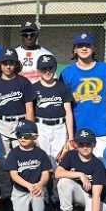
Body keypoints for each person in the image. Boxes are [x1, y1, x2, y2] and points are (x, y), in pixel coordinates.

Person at [0, 48, 36, 204]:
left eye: (11, 63)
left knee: (23, 160)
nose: (8, 66)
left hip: (19, 123)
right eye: (5, 63)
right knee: (2, 163)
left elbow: (29, 108)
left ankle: (23, 195)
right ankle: (7, 196)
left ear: (16, 65)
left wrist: (29, 129)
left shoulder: (23, 82)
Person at [60, 32, 106, 158]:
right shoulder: (66, 73)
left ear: (94, 48)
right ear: (75, 50)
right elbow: (65, 106)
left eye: (88, 45)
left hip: (101, 129)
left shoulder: (105, 69)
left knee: (103, 165)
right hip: (77, 130)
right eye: (80, 46)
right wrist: (69, 134)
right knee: (78, 166)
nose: (84, 48)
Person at [55, 128, 106, 211]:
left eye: (88, 144)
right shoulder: (70, 155)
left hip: (97, 200)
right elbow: (57, 173)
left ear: (94, 144)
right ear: (76, 144)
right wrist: (80, 175)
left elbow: (96, 195)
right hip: (83, 196)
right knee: (63, 182)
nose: (85, 147)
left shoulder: (98, 164)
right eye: (81, 144)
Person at [3, 119, 50, 211]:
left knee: (37, 192)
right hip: (20, 191)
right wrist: (28, 185)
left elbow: (46, 174)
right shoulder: (14, 153)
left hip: (35, 188)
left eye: (26, 135)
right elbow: (13, 175)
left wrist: (40, 184)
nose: (22, 138)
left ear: (35, 137)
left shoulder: (40, 153)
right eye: (19, 135)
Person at [32, 54, 74, 182]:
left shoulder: (62, 87)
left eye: (50, 68)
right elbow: (30, 112)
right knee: (41, 160)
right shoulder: (34, 88)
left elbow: (68, 112)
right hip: (41, 127)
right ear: (39, 70)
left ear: (55, 68)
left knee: (59, 160)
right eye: (44, 69)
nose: (47, 71)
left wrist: (71, 138)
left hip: (59, 127)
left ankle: (57, 191)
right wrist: (32, 133)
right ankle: (42, 191)